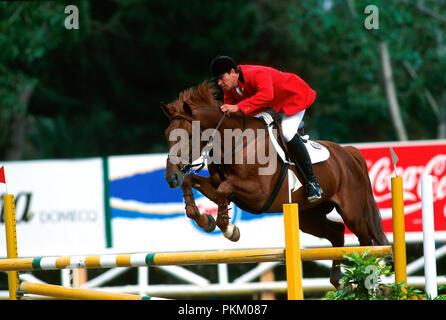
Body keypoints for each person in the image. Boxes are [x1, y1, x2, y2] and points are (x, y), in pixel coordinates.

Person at [209, 55, 322, 202]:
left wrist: (237, 107)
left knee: (287, 133)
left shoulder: (256, 73)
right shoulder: (230, 89)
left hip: (292, 99)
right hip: (270, 108)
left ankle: (312, 182)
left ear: (232, 72)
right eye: (216, 80)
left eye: (221, 78)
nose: (219, 83)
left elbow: (267, 95)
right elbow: (233, 116)